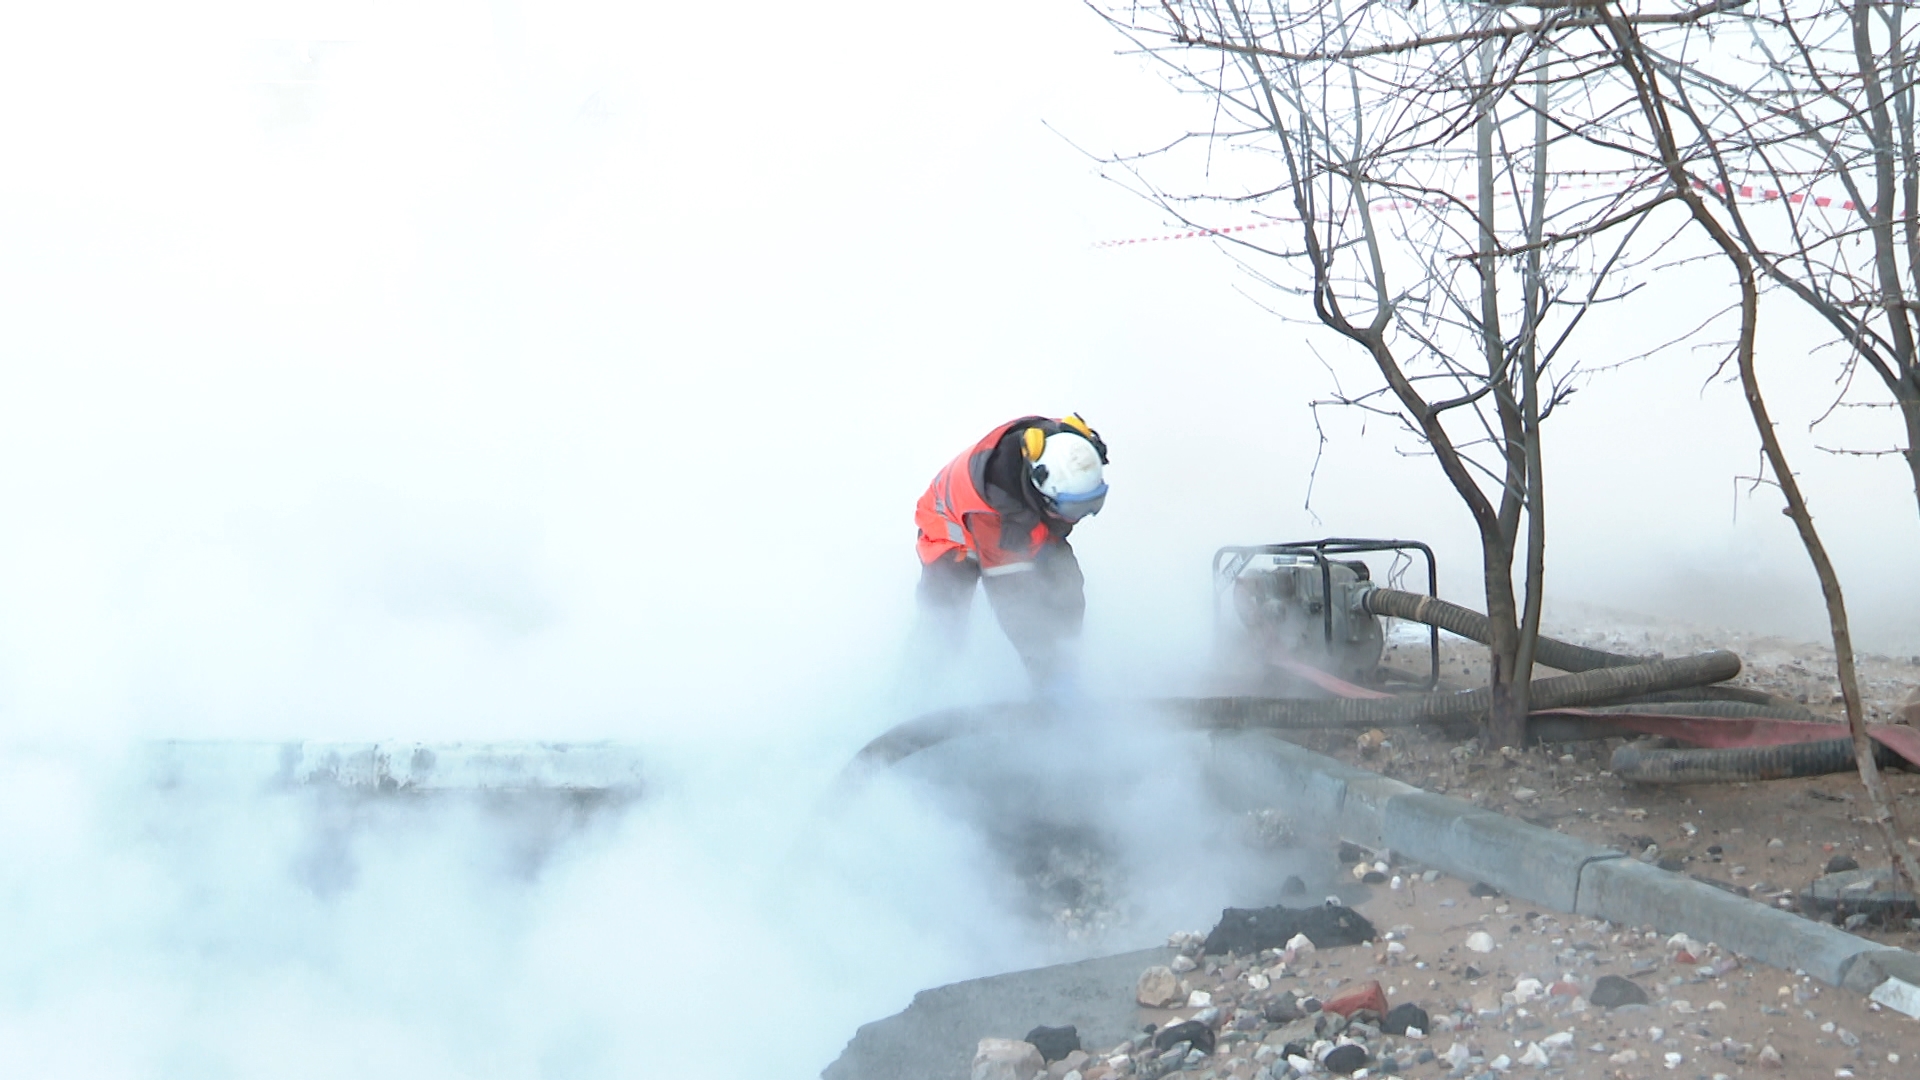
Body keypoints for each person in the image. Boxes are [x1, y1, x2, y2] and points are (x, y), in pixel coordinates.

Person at [913, 414, 1109, 696]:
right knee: (943, 624)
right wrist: (1047, 674)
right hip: (951, 534)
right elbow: (1014, 604)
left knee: (1064, 581)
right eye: (1074, 509)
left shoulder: (1067, 448)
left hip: (1026, 518)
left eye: (1091, 504)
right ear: (1042, 490)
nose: (1080, 518)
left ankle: (1063, 669)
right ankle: (915, 692)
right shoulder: (992, 511)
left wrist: (1065, 658)